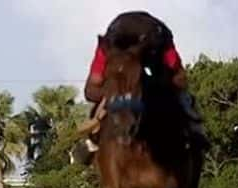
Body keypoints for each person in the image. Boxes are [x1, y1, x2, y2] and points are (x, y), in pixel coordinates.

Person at [73, 11, 208, 164]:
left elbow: (179, 79)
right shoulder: (107, 47)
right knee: (113, 94)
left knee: (180, 95)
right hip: (125, 60)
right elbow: (91, 90)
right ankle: (93, 140)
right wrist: (115, 93)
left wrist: (152, 90)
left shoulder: (159, 43)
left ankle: (194, 130)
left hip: (156, 55)